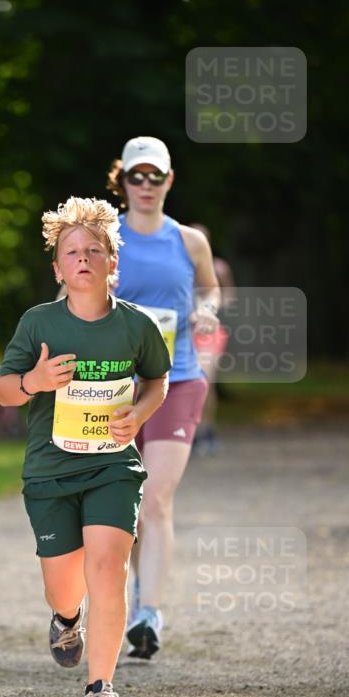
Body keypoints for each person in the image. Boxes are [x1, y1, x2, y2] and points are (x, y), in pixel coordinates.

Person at [0, 196, 171, 697]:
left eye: (94, 250)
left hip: (113, 466)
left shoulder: (136, 326)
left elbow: (157, 380)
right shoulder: (38, 323)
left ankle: (101, 691)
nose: (84, 259)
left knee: (109, 568)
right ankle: (66, 617)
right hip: (50, 471)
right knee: (65, 586)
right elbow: (3, 390)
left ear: (112, 262)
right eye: (72, 252)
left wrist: (139, 414)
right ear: (58, 268)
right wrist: (34, 382)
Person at [108, 137, 221, 659]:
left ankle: (148, 613)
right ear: (123, 180)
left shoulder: (190, 240)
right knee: (126, 508)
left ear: (169, 180)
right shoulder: (106, 238)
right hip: (114, 386)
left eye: (156, 176)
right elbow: (72, 294)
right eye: (137, 176)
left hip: (178, 380)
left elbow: (209, 289)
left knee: (155, 499)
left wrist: (206, 311)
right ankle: (137, 593)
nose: (146, 185)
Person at [189, 224, 236, 455]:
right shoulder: (178, 265)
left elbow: (229, 296)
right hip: (184, 331)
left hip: (209, 332)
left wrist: (208, 308)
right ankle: (189, 433)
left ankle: (207, 431)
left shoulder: (219, 267)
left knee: (205, 383)